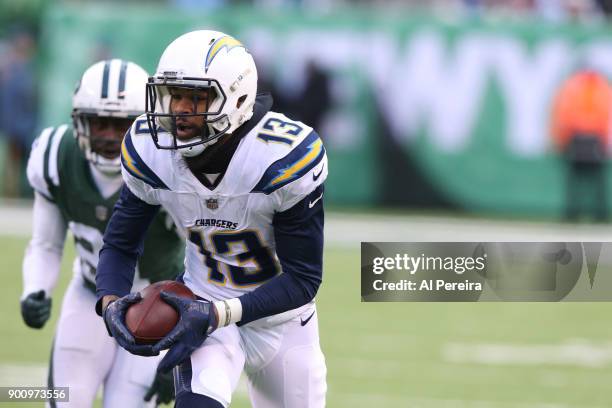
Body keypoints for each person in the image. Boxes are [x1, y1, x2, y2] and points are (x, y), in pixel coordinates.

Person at [95, 30, 328, 408]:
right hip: (199, 310)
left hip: (280, 323)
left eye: (197, 97)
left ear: (236, 99)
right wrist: (111, 305)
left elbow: (303, 279)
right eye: (175, 95)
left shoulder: (280, 156)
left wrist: (217, 313)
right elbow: (121, 242)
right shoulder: (149, 150)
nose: (181, 110)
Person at [21, 59, 183, 407]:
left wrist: (184, 349)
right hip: (88, 295)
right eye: (100, 123)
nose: (109, 136)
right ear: (80, 121)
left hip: (154, 305)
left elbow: (204, 262)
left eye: (121, 125)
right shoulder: (55, 156)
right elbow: (46, 243)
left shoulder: (170, 165)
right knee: (65, 400)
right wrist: (36, 288)